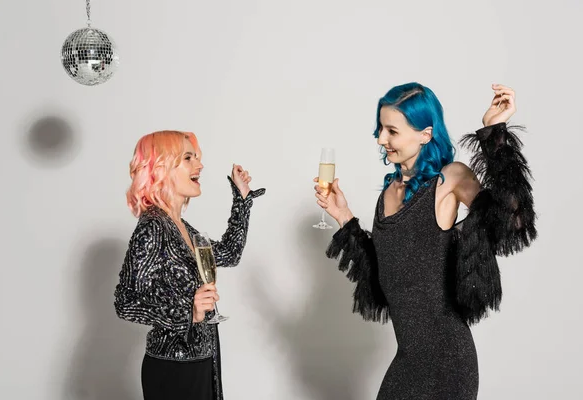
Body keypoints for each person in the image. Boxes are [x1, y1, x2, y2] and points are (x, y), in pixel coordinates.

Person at [314, 83, 536, 399]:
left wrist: (494, 133)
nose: (380, 139)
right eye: (380, 128)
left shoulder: (450, 179)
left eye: (391, 130)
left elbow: (513, 219)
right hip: (407, 362)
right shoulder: (388, 193)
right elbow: (387, 278)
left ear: (425, 134)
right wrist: (344, 216)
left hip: (448, 365)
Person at [114, 130, 265, 400]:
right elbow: (125, 302)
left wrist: (241, 201)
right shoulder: (153, 226)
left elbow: (229, 253)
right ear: (160, 169)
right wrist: (188, 311)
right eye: (188, 158)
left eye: (197, 156)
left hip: (202, 360)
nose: (200, 164)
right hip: (174, 369)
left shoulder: (183, 228)